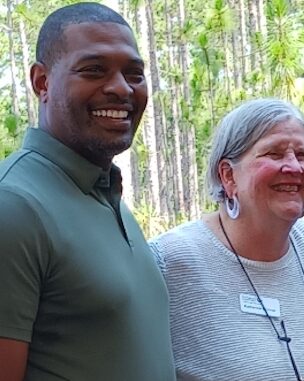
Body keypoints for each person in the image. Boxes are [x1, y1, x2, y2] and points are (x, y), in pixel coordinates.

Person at [0, 3, 175, 380]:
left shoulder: (106, 196)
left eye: (134, 73)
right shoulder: (13, 206)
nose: (121, 88)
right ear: (41, 82)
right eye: (94, 70)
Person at [150, 98, 304, 381]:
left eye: (302, 155)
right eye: (274, 154)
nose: (294, 167)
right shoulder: (171, 260)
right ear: (228, 176)